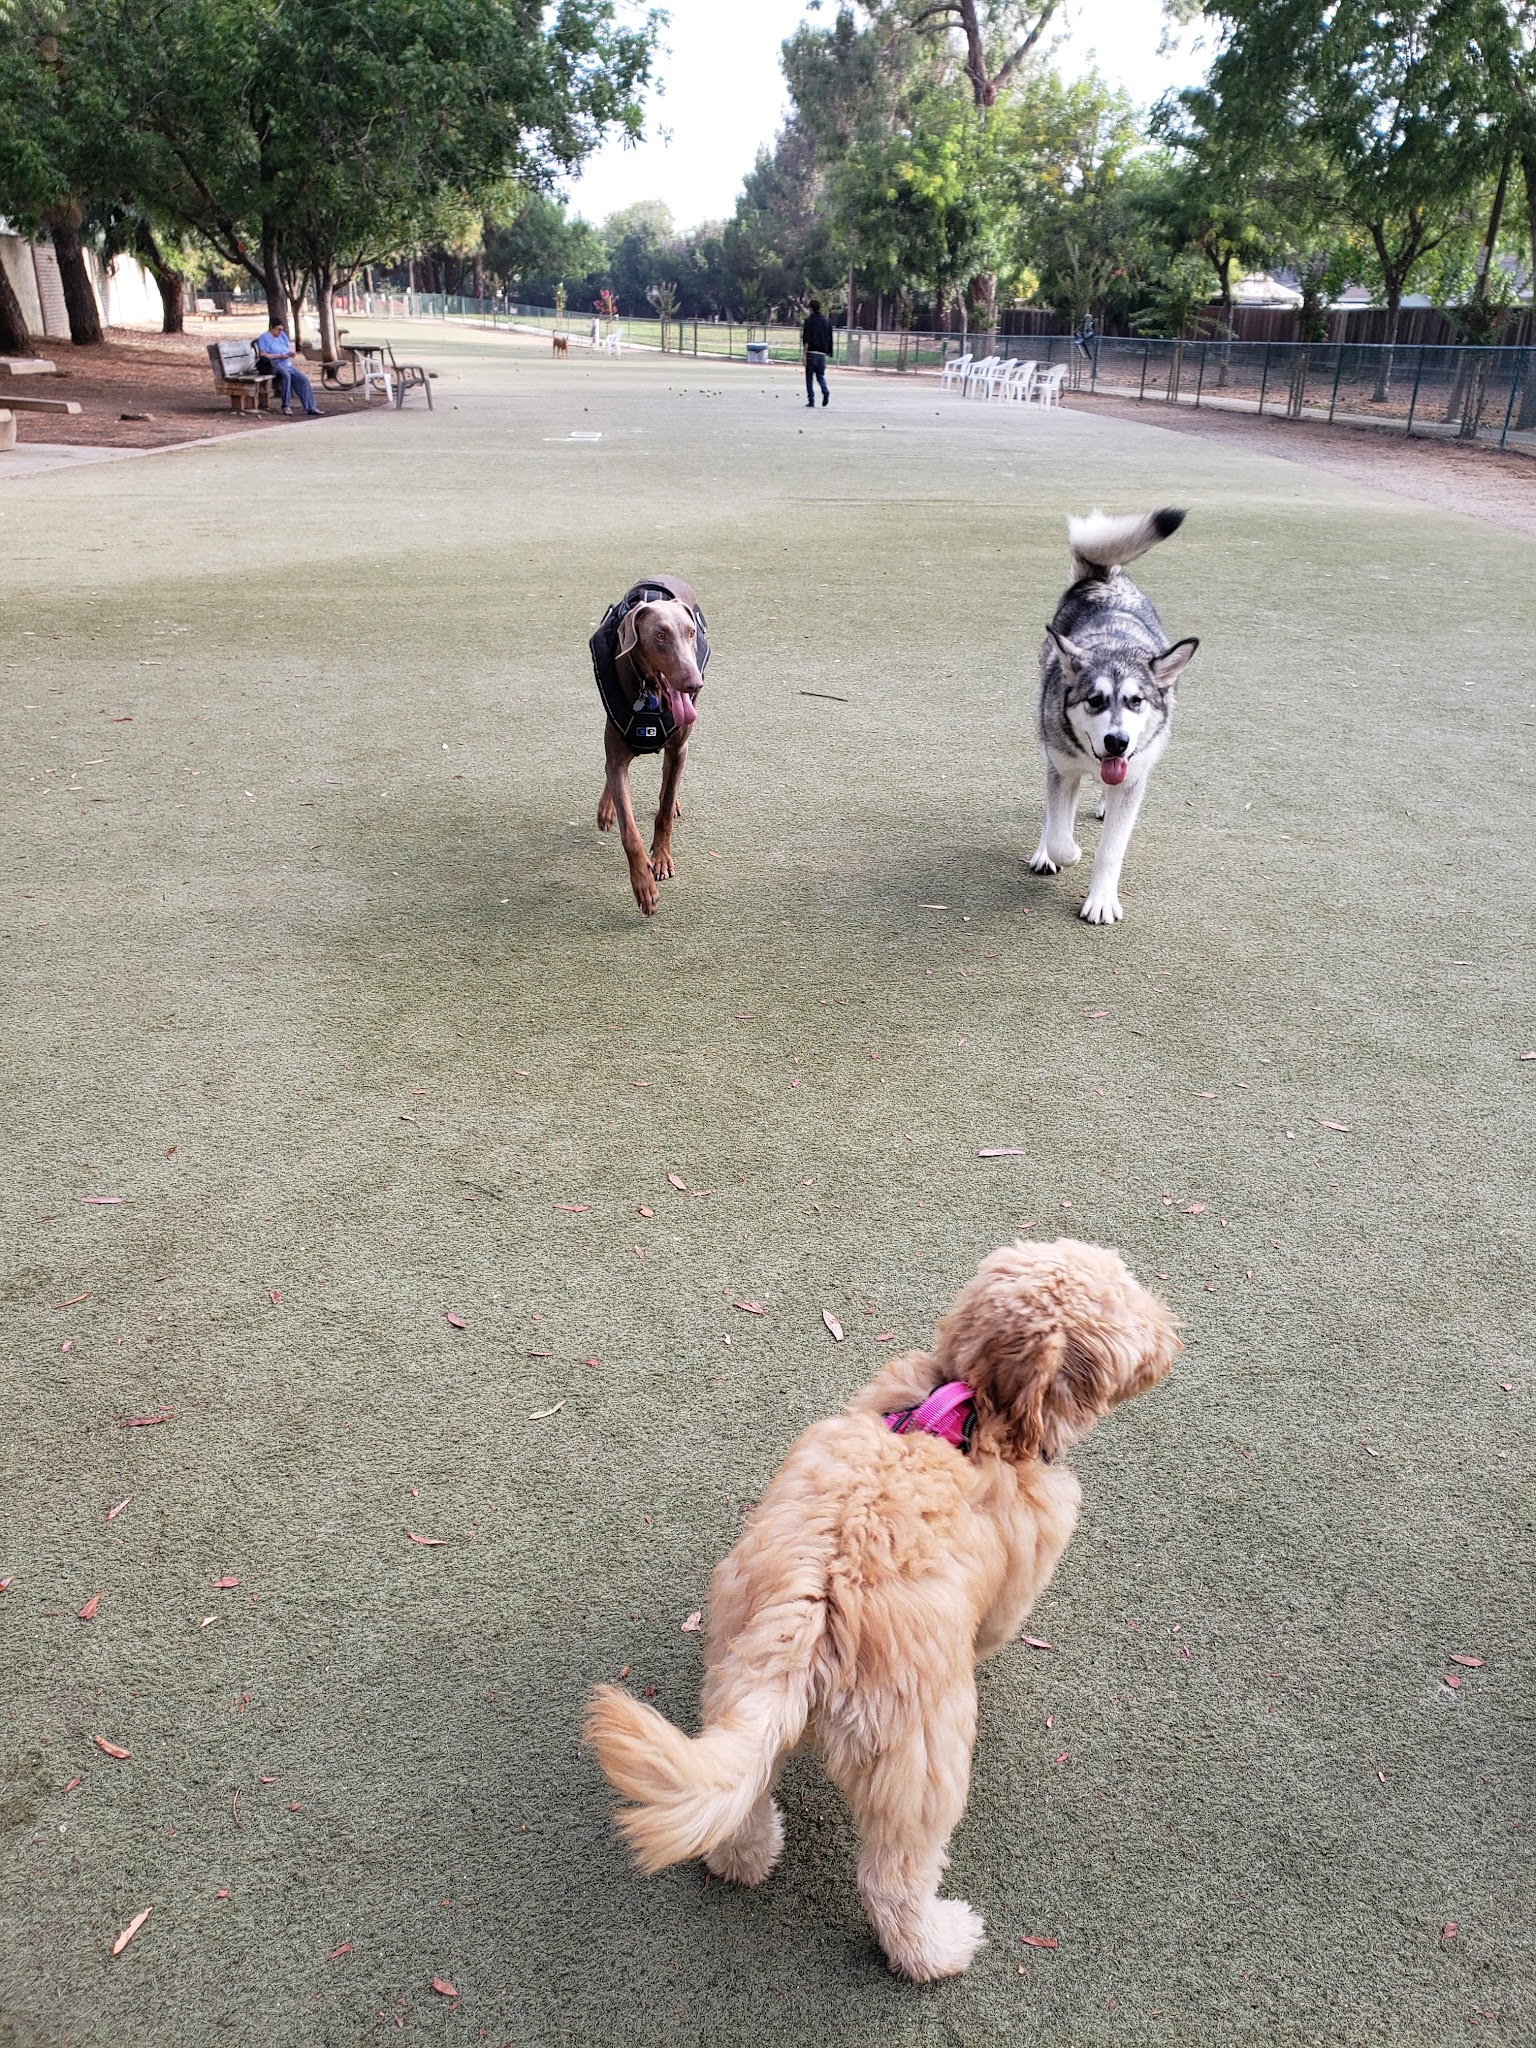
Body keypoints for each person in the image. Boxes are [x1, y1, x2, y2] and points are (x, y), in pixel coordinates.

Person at [253, 318, 321, 416]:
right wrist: (278, 356)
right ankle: (286, 405)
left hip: (287, 363)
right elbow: (263, 355)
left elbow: (287, 348)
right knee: (286, 376)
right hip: (274, 364)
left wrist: (290, 354)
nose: (280, 332)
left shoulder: (283, 336)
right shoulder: (264, 338)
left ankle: (310, 407)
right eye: (278, 329)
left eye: (281, 329)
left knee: (303, 379)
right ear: (272, 327)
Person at [801, 298, 833, 408]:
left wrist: (804, 355)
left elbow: (806, 339)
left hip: (811, 353)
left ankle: (811, 400)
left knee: (809, 378)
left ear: (810, 308)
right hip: (822, 354)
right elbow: (830, 338)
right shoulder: (827, 321)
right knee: (820, 375)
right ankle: (825, 390)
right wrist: (829, 352)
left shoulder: (809, 321)